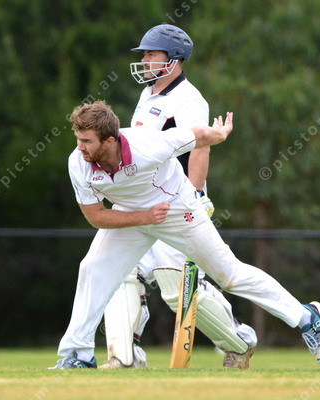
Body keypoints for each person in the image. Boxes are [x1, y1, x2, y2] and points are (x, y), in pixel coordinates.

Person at [50, 100, 320, 369]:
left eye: (86, 141)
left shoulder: (147, 144)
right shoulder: (78, 163)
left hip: (177, 209)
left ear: (110, 141)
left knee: (229, 275)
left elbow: (195, 136)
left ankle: (306, 318)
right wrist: (144, 217)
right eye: (78, 139)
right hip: (133, 215)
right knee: (92, 268)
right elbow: (96, 216)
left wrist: (219, 134)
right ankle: (78, 354)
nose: (80, 147)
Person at [101, 24, 256, 370]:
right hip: (144, 200)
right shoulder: (147, 94)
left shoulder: (189, 98)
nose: (144, 60)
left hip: (176, 203)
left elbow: (200, 148)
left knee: (175, 289)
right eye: (143, 54)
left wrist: (196, 195)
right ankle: (124, 358)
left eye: (151, 54)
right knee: (121, 271)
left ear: (173, 59)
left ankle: (239, 343)